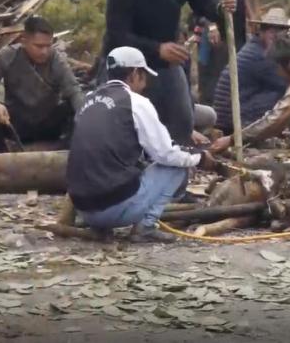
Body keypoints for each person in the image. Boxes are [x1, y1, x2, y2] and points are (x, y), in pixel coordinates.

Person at [102, 0, 237, 145]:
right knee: (128, 122)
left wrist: (220, 7)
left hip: (167, 64)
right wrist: (157, 49)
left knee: (182, 120)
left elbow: (205, 0)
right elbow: (118, 37)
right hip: (127, 66)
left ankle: (179, 164)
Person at [66, 47, 216, 243]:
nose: (145, 82)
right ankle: (146, 227)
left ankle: (101, 225)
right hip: (112, 210)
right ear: (135, 74)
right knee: (176, 168)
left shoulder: (88, 100)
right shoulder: (136, 102)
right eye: (144, 75)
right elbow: (166, 154)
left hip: (84, 209)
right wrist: (199, 158)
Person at [0, 16, 85, 153]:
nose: (44, 51)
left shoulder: (57, 60)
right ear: (24, 41)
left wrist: (83, 114)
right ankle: (0, 155)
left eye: (48, 46)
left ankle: (66, 150)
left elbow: (74, 90)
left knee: (76, 107)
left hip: (48, 123)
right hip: (16, 124)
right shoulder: (7, 55)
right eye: (39, 46)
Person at [212, 7, 290, 134]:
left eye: (280, 32)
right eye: (272, 31)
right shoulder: (261, 55)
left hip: (230, 112)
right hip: (232, 118)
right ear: (262, 32)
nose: (276, 36)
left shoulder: (255, 47)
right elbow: (286, 83)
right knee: (287, 93)